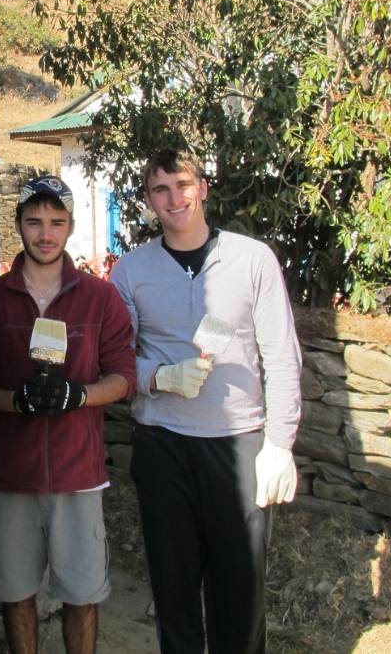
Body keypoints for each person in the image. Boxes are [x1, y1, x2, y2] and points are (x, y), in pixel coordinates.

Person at [108, 150, 302, 654]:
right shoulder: (131, 271)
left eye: (183, 184)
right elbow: (117, 361)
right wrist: (160, 377)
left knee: (240, 594)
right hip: (163, 445)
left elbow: (282, 355)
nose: (175, 198)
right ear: (148, 201)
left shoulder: (252, 259)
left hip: (238, 444)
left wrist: (279, 443)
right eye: (161, 190)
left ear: (204, 187)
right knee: (173, 593)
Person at [0, 176, 137, 654]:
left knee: (82, 595)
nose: (45, 234)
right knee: (14, 592)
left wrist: (78, 396)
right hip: (10, 474)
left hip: (77, 473)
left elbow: (123, 376)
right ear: (19, 225)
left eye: (56, 223)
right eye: (35, 222)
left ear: (70, 227)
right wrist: (15, 401)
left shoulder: (99, 298)